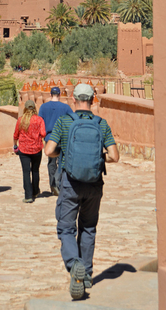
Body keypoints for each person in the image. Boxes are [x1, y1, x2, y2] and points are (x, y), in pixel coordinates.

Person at [45, 83, 119, 300]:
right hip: (94, 184)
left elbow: (49, 150)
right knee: (88, 228)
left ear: (73, 100)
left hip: (70, 183)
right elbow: (114, 156)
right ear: (93, 100)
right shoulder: (101, 123)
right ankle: (86, 274)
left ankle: (74, 264)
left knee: (66, 229)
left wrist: (64, 152)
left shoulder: (65, 121)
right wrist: (97, 158)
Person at [38, 86, 71, 195]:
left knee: (51, 163)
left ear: (50, 95)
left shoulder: (43, 107)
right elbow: (72, 120)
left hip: (49, 138)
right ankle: (59, 184)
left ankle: (53, 185)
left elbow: (40, 123)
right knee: (62, 161)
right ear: (60, 95)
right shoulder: (65, 108)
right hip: (63, 138)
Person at [13, 100, 46, 203]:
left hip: (23, 149)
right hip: (36, 149)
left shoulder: (20, 120)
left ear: (25, 109)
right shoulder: (39, 120)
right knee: (35, 171)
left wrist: (15, 145)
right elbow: (43, 133)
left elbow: (15, 135)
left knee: (26, 172)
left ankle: (28, 196)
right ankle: (35, 191)